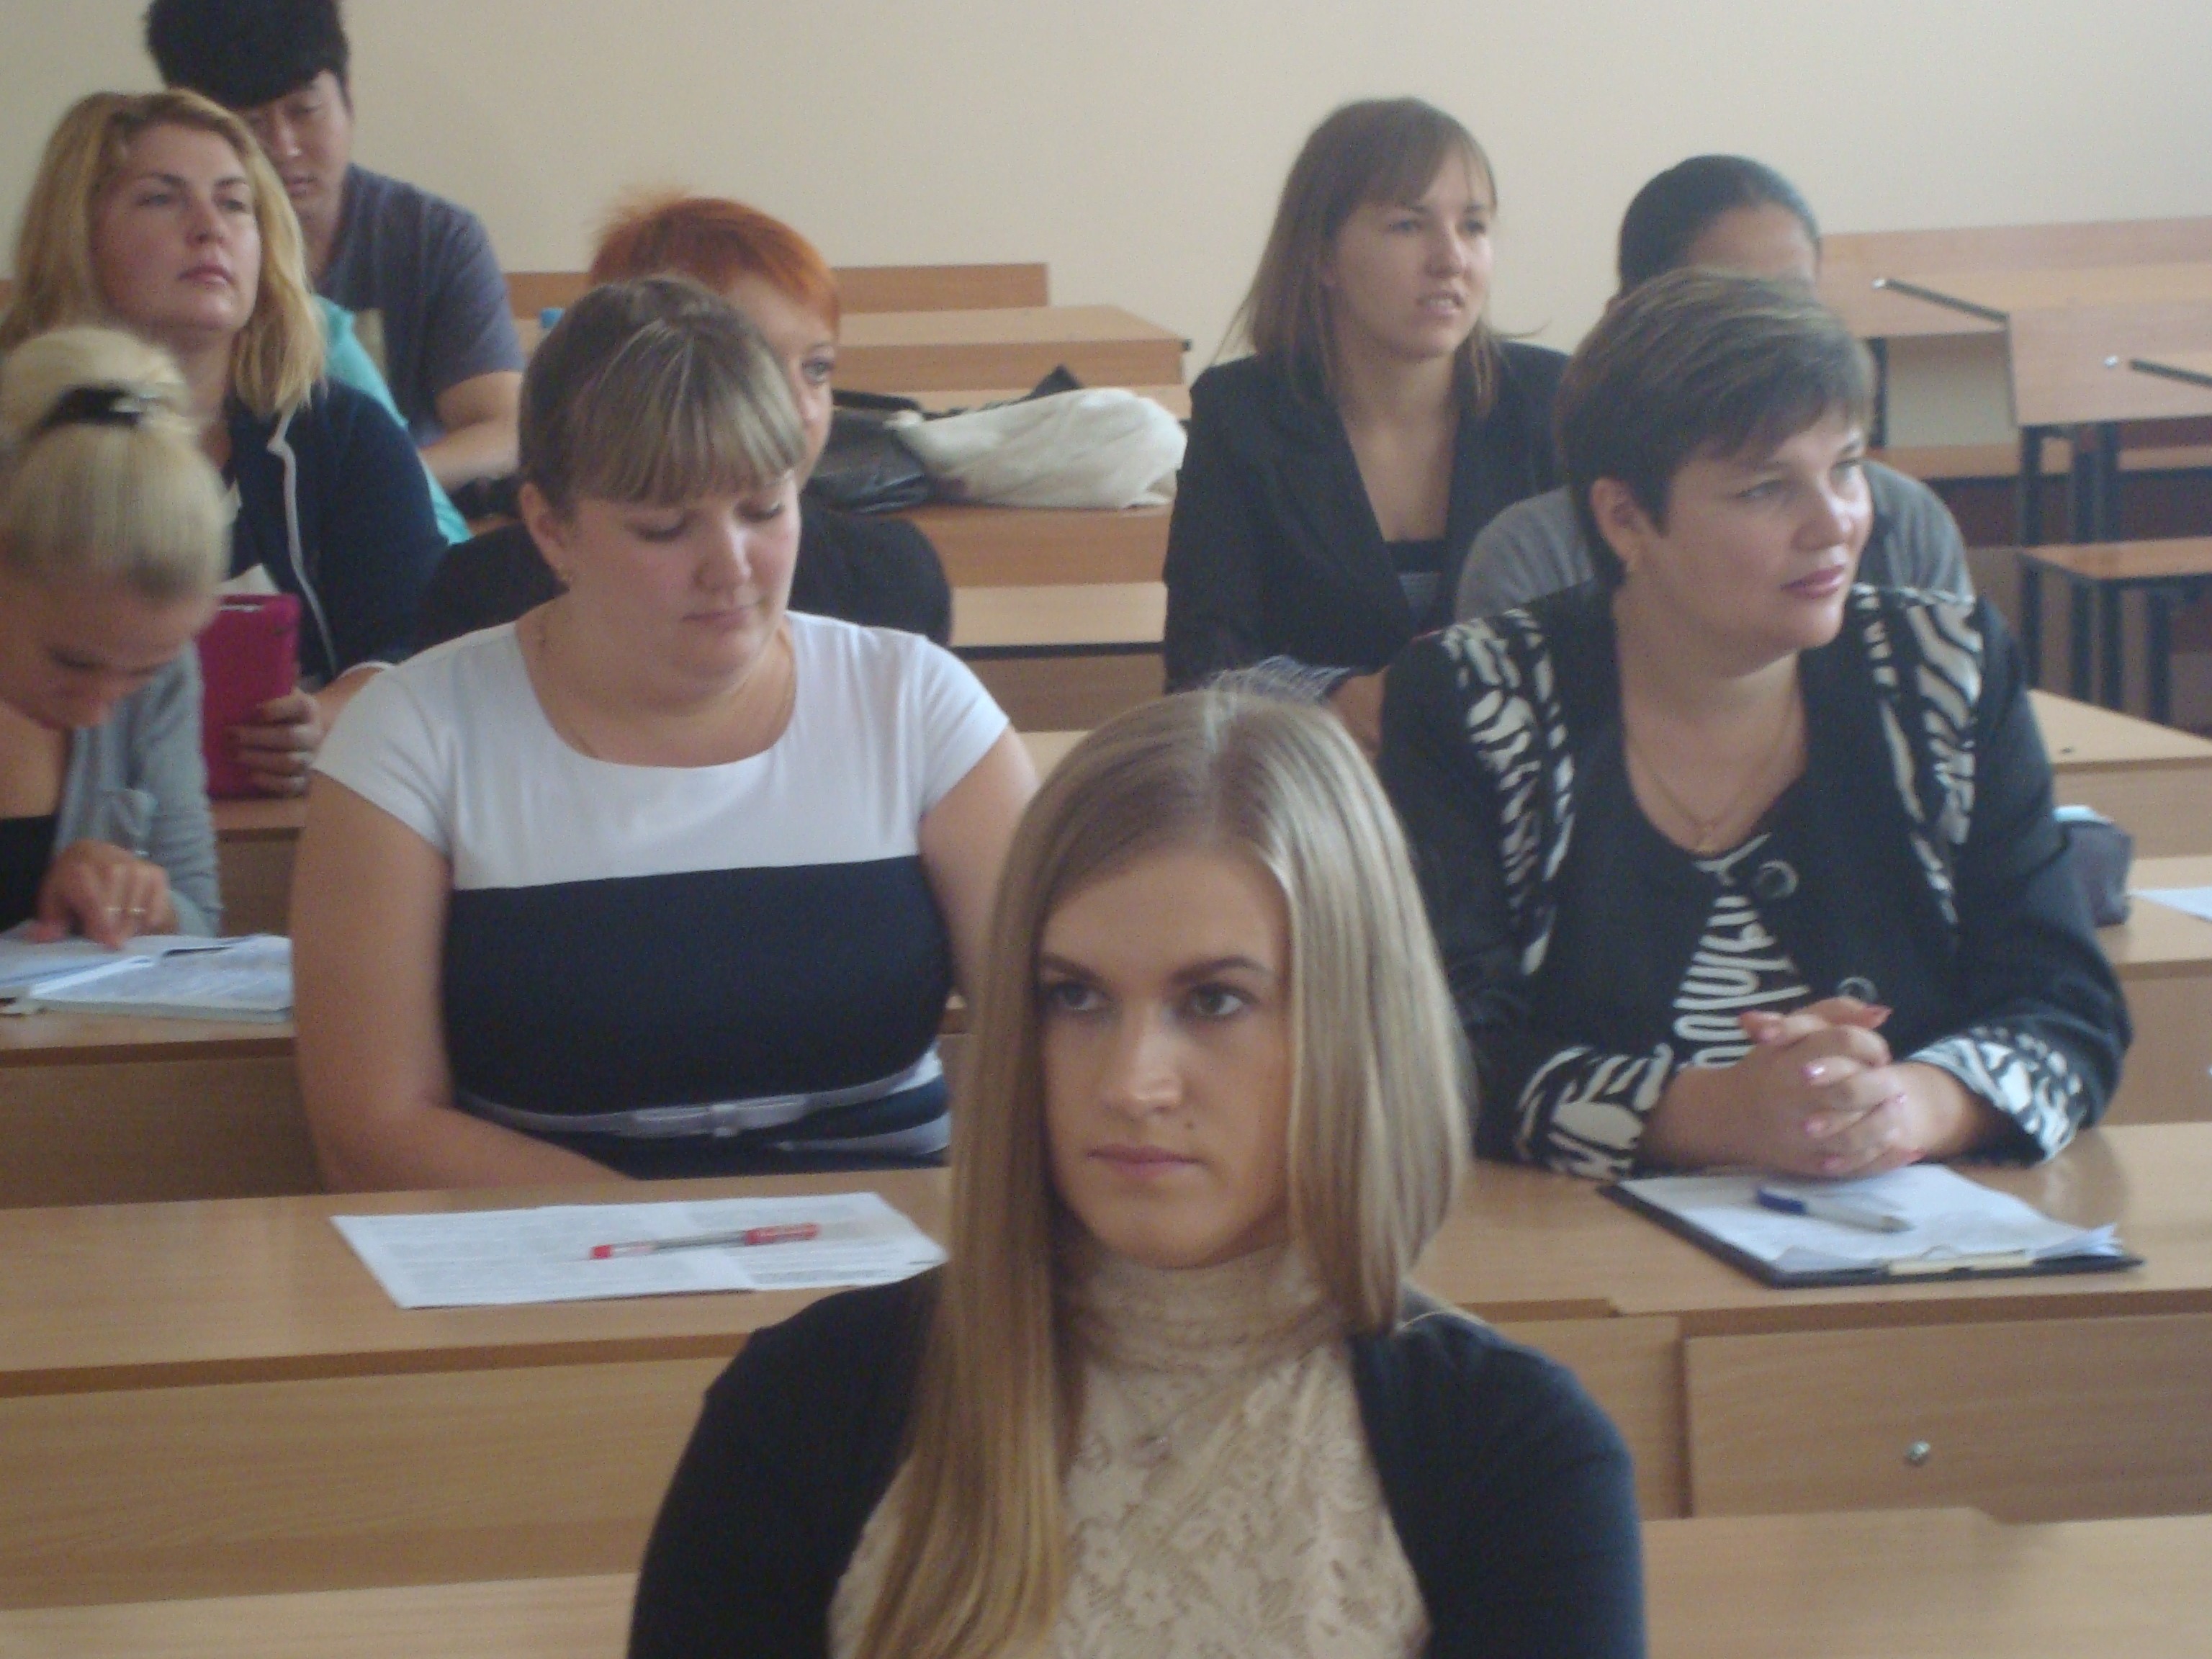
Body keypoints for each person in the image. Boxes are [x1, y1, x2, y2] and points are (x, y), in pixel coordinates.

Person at [629, 692, 1644, 1659]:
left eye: (1213, 1002)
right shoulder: (810, 1402)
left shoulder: (1515, 1457)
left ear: (1351, 1024)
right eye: (1074, 997)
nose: (1131, 1083)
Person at [1381, 270, 2128, 1180]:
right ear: (1625, 517)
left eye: (1847, 466)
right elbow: (1437, 1052)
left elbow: (2068, 1010)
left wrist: (1899, 1108)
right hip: (1583, 1259)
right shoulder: (1472, 697)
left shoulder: (1948, 668)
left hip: (1917, 1243)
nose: (1837, 524)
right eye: (1766, 489)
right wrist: (1721, 1114)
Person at [293, 278, 1035, 1191]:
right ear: (550, 528)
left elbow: (1051, 1038)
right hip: (553, 1265)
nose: (730, 567)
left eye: (764, 510)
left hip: (890, 1266)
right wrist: (670, 1248)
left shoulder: (917, 704)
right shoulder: (411, 736)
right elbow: (373, 1127)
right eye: (663, 528)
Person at [1, 89, 449, 797]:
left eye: (235, 204)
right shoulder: (18, 439)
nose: (209, 229)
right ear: (77, 233)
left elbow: (426, 637)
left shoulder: (345, 432)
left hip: (300, 826)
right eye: (161, 199)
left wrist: (330, 717)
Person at [1161, 97, 1565, 751]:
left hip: (1514, 793)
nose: (1451, 258)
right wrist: (1333, 695)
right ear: (1322, 255)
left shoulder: (1553, 403)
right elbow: (1203, 663)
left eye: (1474, 226)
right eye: (1409, 225)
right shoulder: (1243, 415)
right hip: (1315, 787)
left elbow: (1618, 628)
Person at [416, 194, 951, 648]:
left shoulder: (892, 580)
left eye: (816, 368)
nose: (802, 411)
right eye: (753, 370)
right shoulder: (481, 596)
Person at [1457, 155, 1969, 619]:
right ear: (1630, 323)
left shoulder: (1907, 522)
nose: (1769, 339)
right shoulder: (1534, 554)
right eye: (1725, 305)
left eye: (1793, 301)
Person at [145, 0, 526, 490]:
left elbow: (502, 429)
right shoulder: (172, 253)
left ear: (348, 98)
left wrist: (367, 494)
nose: (284, 146)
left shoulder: (433, 238)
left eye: (305, 110)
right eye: (251, 123)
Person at [0, 327, 226, 940]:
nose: (99, 713)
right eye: (72, 662)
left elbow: (204, 921)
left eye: (145, 672)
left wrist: (146, 902)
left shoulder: (159, 658)